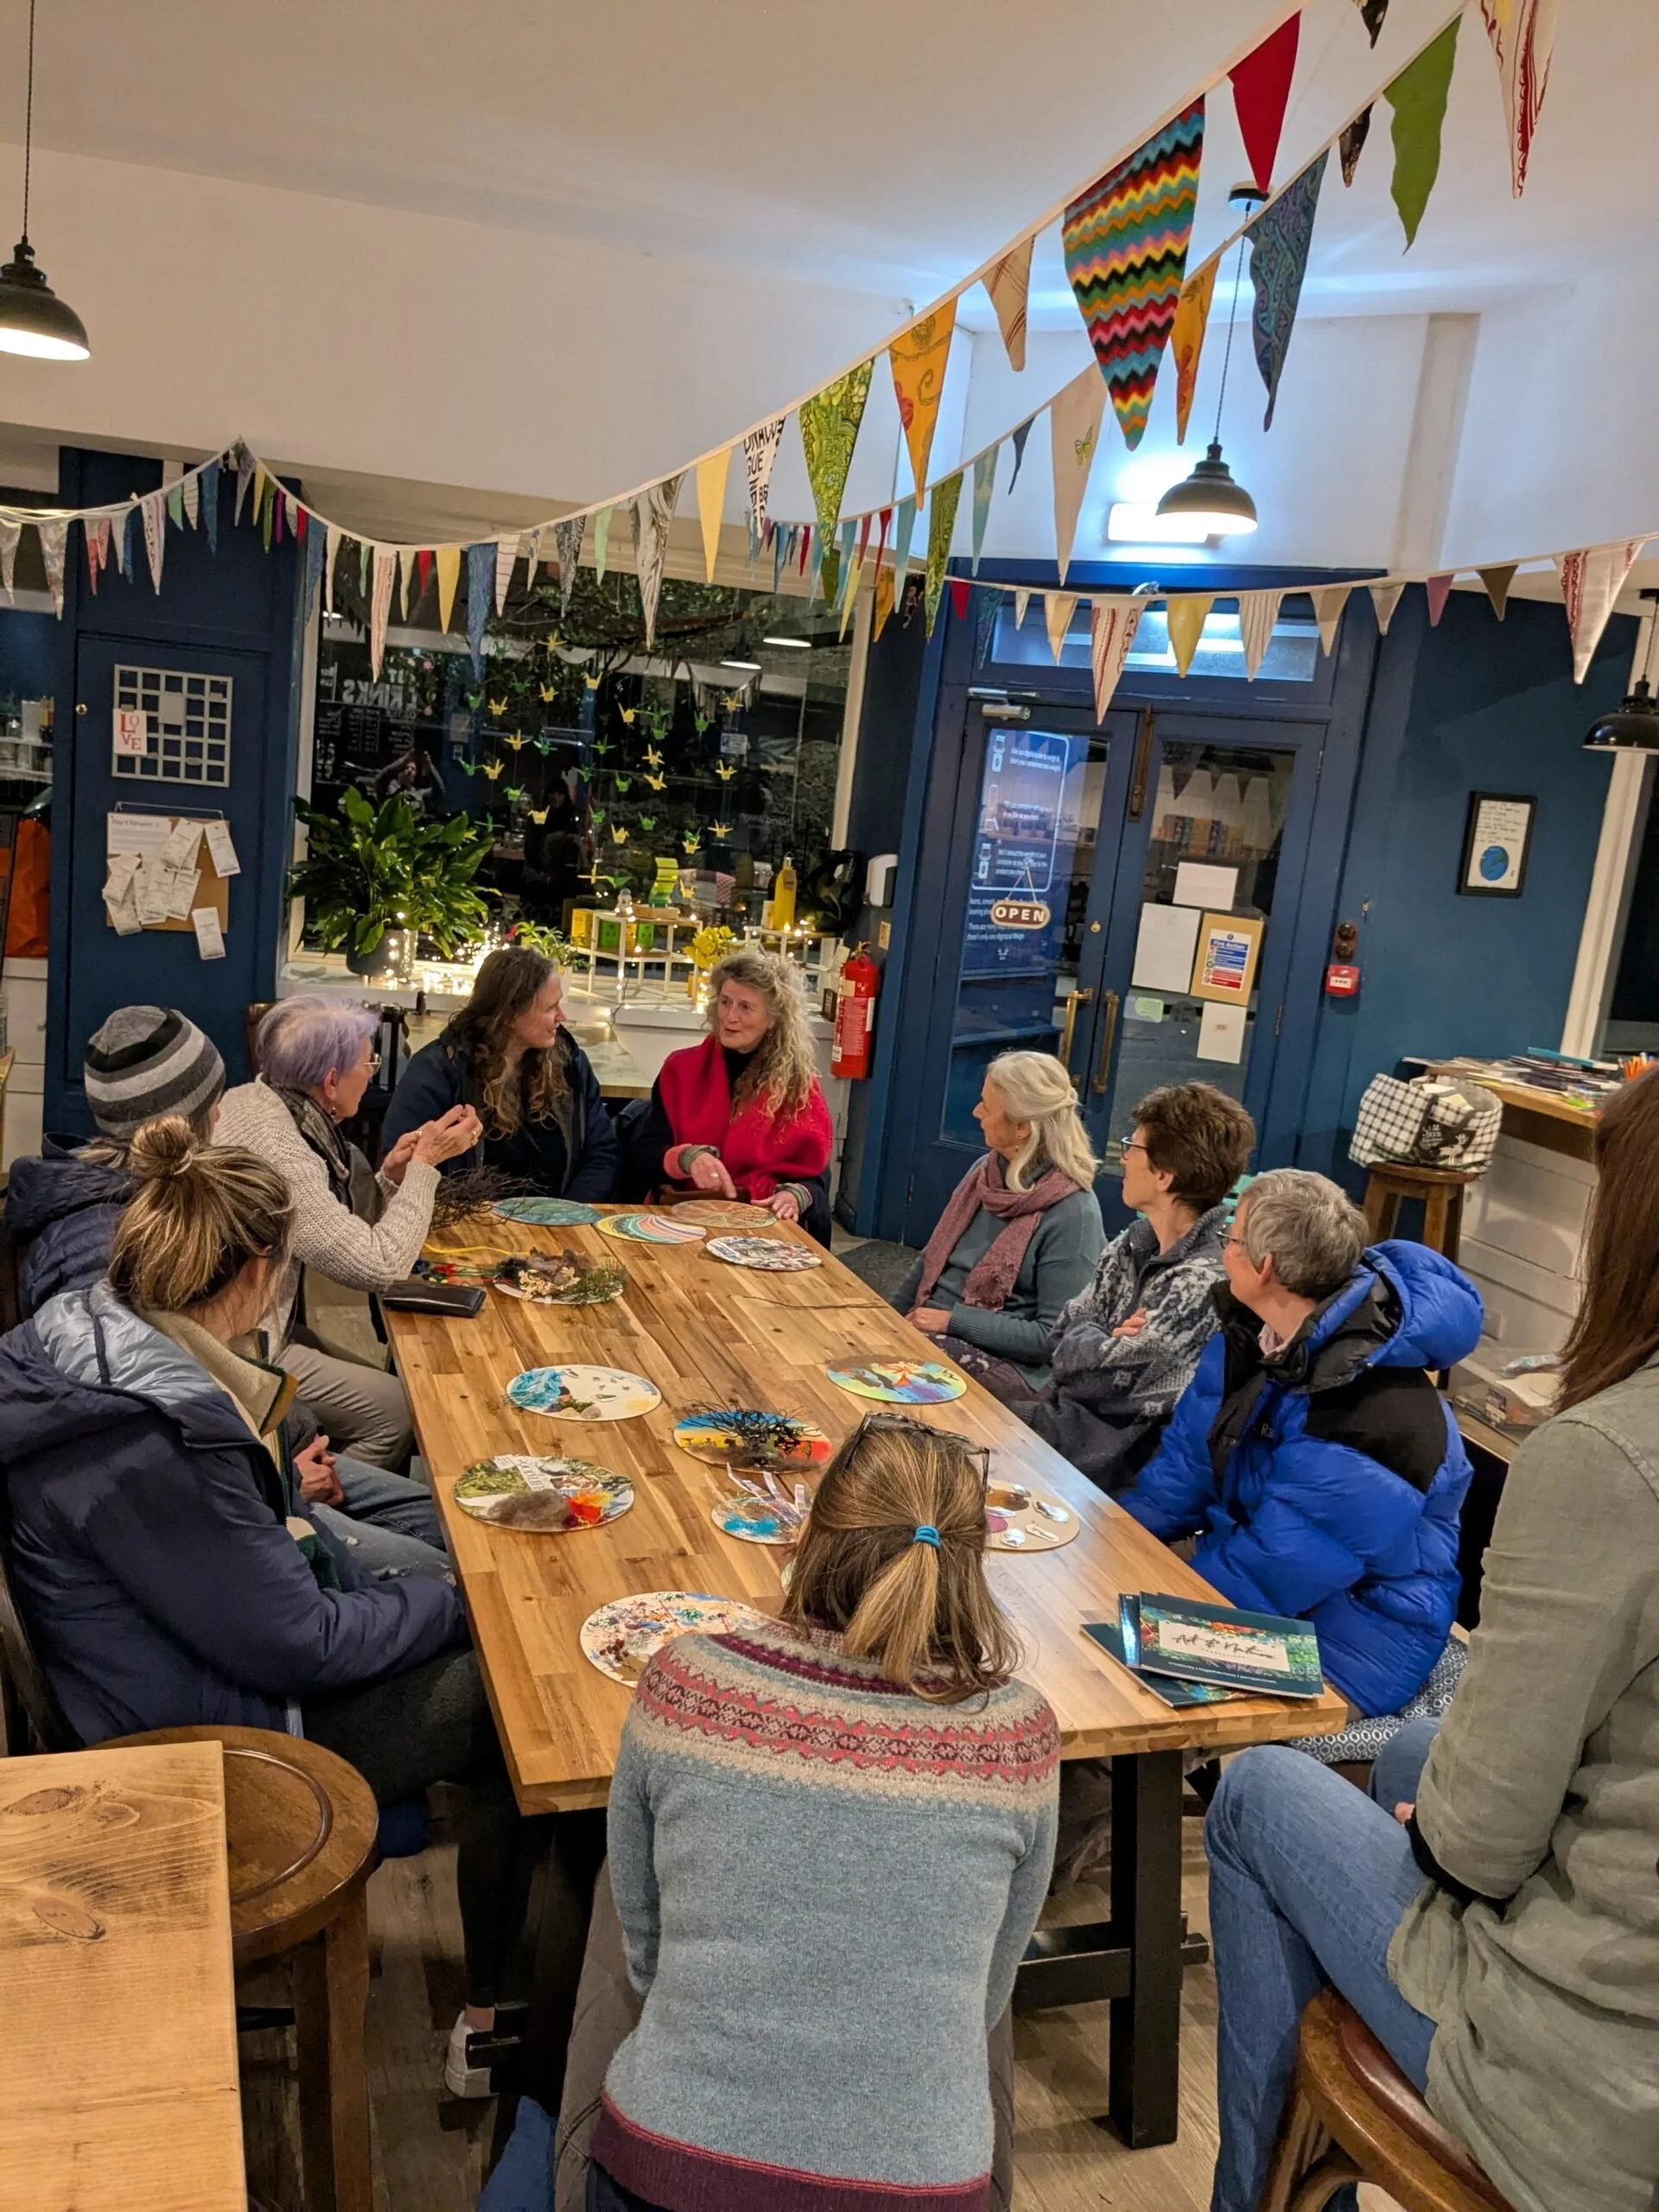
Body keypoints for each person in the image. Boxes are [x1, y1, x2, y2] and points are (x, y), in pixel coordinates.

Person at [1204, 1071, 1659, 2212]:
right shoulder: (1317, 1359)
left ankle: (1249, 2197)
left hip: (1595, 2089)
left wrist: (1442, 1843)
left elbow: (1478, 1846)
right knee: (1415, 1756)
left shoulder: (1604, 1457)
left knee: (1257, 1793)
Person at [0, 1120, 523, 2097]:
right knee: (508, 1698)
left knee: (429, 1572)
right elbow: (301, 1643)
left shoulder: (104, 1333)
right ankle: (497, 2028)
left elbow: (245, 1565)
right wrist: (453, 1602)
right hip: (199, 1742)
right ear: (255, 1270)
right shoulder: (144, 1438)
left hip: (162, 1669)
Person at [562, 1414, 1059, 2212]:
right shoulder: (1018, 1732)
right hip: (923, 2190)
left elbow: (647, 1956)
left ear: (810, 1535)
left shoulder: (685, 1682)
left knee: (610, 1908)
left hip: (667, 2171)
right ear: (972, 1564)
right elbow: (988, 1997)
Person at [1120, 1167, 1480, 1720]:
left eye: (1231, 1237)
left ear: (1264, 1267)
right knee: (1077, 1603)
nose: (1222, 1249)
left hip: (1349, 1643)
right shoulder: (1254, 1334)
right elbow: (1185, 1469)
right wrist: (1114, 1539)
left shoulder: (1376, 1412)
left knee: (1119, 1685)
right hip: (1260, 1580)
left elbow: (1279, 1569)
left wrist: (1151, 1610)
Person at [218, 997, 480, 1471]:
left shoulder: (257, 1099)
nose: (372, 1075)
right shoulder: (281, 1152)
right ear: (331, 1082)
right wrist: (426, 1166)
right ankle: (306, 1496)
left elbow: (332, 1226)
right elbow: (380, 1267)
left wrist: (392, 1178)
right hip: (239, 1343)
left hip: (254, 1319)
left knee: (382, 1376)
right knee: (398, 1411)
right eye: (368, 1064)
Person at [1014, 1082, 1255, 1491]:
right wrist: (1105, 1340)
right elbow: (1059, 1338)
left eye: (1133, 1147)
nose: (1123, 1158)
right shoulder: (1130, 1244)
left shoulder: (1202, 1282)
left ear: (1163, 1175)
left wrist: (1093, 1339)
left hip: (1105, 1472)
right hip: (1057, 1426)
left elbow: (1103, 1384)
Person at [893, 1051, 1103, 1399]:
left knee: (898, 1376)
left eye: (987, 1107)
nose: (977, 1112)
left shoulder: (1074, 1212)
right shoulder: (984, 1172)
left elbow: (1053, 1337)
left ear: (1023, 1127)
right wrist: (887, 1319)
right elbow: (931, 1260)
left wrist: (952, 1321)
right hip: (935, 1328)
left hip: (1014, 1364)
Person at [4, 1003, 226, 1315]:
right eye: (214, 1102)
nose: (219, 1115)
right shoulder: (109, 1247)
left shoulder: (119, 1198)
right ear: (182, 1124)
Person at [383, 944, 618, 1203]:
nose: (561, 1016)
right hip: (464, 1219)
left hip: (560, 1219)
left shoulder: (570, 1063)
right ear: (509, 1014)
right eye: (550, 1008)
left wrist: (568, 1212)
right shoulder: (438, 1071)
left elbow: (601, 1152)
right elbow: (402, 1167)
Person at [634, 946, 834, 1239]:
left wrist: (795, 1196)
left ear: (773, 1018)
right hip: (683, 1218)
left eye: (745, 1007)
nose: (730, 1016)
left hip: (764, 1223)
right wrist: (685, 1158)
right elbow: (644, 1154)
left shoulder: (798, 1084)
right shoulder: (680, 1069)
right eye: (725, 1002)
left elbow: (815, 1175)